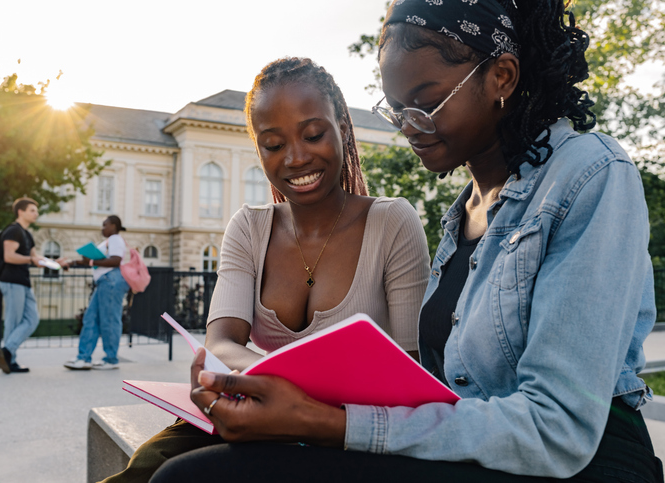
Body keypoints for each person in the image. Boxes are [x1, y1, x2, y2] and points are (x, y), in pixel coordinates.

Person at [150, 1, 664, 482]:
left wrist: (320, 422)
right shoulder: (462, 213)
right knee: (189, 462)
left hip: (584, 465)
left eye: (425, 103)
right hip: (474, 453)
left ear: (500, 77)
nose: (408, 127)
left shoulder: (590, 174)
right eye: (397, 109)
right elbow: (433, 386)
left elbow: (558, 430)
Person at [98, 57, 430, 483]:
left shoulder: (392, 222)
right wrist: (273, 392)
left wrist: (291, 399)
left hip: (345, 433)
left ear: (343, 131)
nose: (295, 158)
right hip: (257, 413)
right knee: (149, 464)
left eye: (313, 135)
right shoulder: (249, 227)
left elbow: (411, 362)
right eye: (273, 145)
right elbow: (222, 341)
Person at [61, 215, 130, 370]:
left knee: (109, 321)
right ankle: (84, 358)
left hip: (111, 281)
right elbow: (98, 261)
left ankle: (111, 359)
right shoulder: (107, 241)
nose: (102, 228)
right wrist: (73, 263)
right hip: (104, 282)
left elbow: (115, 260)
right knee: (90, 318)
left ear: (113, 226)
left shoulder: (115, 239)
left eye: (105, 225)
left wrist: (91, 262)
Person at [0, 197, 46, 374]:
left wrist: (54, 262)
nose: (36, 214)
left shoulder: (26, 234)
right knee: (13, 322)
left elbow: (35, 256)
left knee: (32, 319)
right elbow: (9, 256)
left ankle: (7, 352)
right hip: (11, 281)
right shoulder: (13, 231)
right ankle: (10, 361)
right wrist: (32, 259)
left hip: (23, 281)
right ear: (21, 212)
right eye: (32, 210)